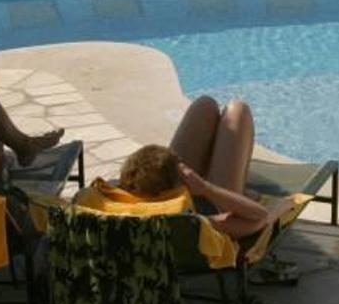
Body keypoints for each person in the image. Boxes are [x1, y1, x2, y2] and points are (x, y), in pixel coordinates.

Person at [77, 96, 294, 238]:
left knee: (205, 105)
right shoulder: (192, 222)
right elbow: (258, 216)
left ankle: (238, 186)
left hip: (156, 199)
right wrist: (206, 188)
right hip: (214, 204)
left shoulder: (101, 203)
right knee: (237, 110)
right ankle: (239, 189)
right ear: (180, 184)